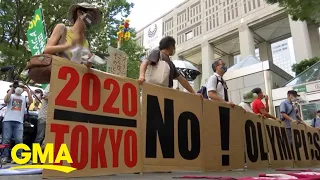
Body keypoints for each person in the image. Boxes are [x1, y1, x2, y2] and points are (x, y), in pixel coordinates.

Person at [43, 3, 102, 67]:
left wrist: (89, 63)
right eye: (90, 15)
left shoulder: (86, 42)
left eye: (93, 18)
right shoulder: (62, 28)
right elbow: (47, 50)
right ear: (79, 13)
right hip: (56, 72)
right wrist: (69, 45)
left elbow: (83, 65)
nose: (91, 20)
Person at [1, 82, 33, 164]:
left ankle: (18, 157)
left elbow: (31, 101)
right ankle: (4, 157)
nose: (19, 88)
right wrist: (12, 88)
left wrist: (27, 91)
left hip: (19, 122)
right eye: (18, 86)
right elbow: (5, 100)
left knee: (19, 140)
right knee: (6, 139)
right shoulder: (11, 95)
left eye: (21, 87)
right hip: (8, 120)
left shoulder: (24, 97)